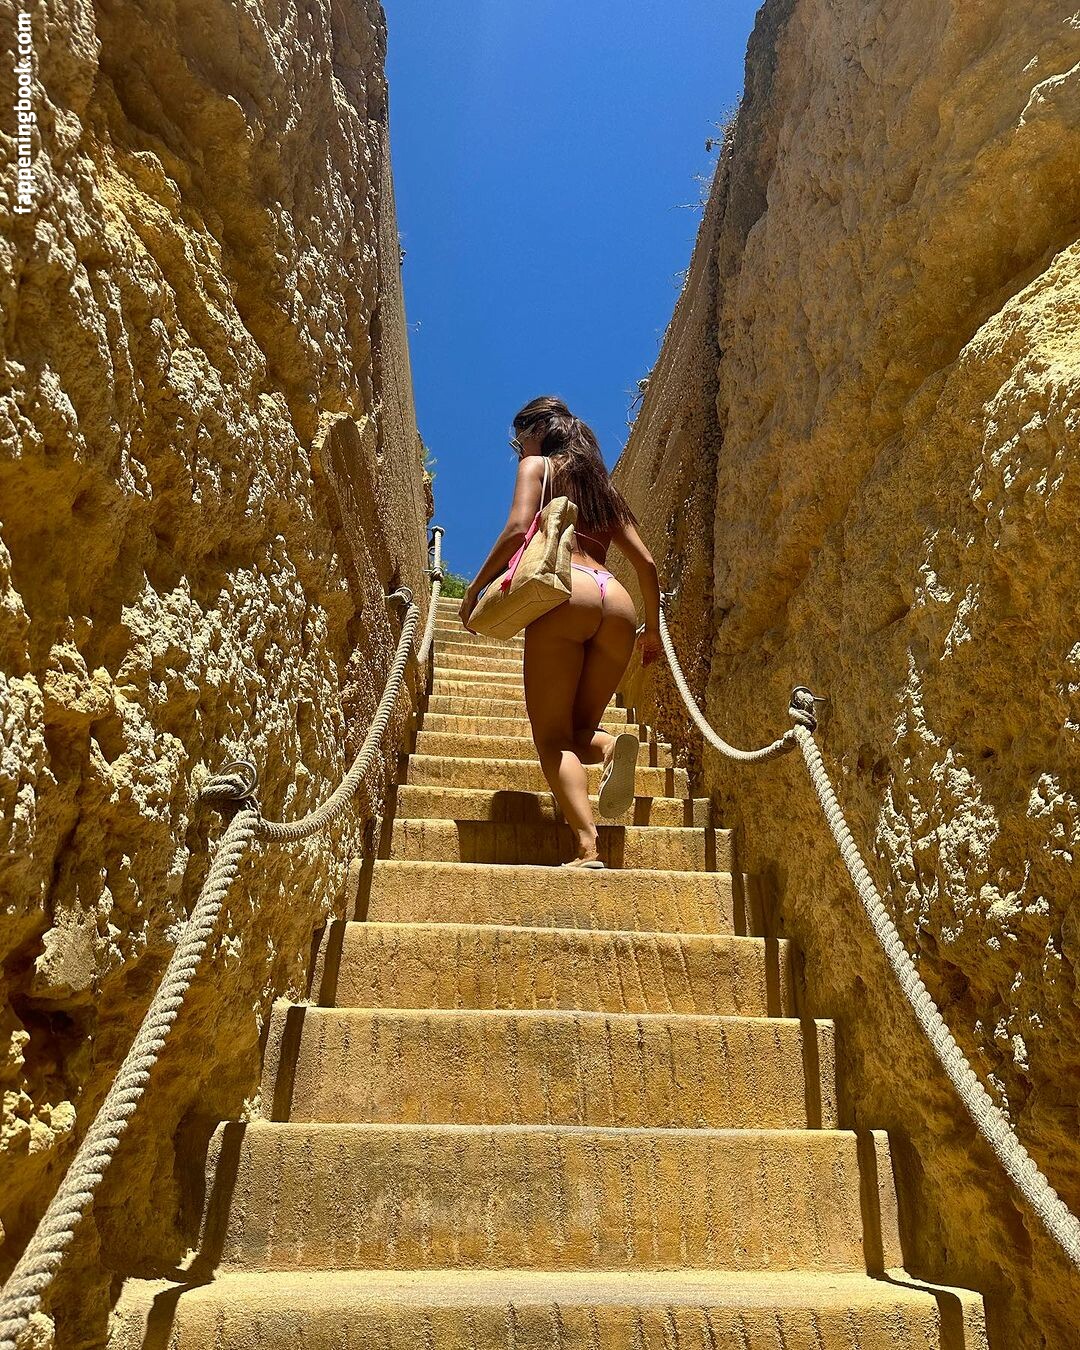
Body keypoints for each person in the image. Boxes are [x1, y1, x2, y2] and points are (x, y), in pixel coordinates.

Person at [459, 395, 663, 869]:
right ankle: (610, 747)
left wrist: (475, 589)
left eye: (520, 439)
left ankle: (588, 847)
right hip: (616, 601)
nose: (519, 449)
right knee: (580, 730)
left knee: (552, 738)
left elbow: (517, 529)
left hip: (566, 593)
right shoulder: (603, 489)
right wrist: (651, 632)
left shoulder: (538, 467)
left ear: (537, 431)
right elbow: (647, 564)